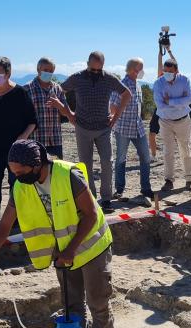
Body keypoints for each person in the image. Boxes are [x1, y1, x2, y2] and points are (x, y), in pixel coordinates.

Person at [0, 139, 116, 328]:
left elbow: (91, 215)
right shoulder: (21, 187)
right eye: (13, 173)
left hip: (92, 247)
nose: (17, 177)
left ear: (37, 164)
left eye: (21, 172)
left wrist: (71, 249)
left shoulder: (67, 175)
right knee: (72, 308)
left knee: (98, 303)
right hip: (64, 254)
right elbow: (4, 227)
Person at [61, 51, 131, 213]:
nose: (96, 73)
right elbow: (59, 90)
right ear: (87, 64)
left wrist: (116, 115)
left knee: (107, 162)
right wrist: (68, 113)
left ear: (103, 66)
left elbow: (126, 93)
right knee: (85, 165)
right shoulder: (77, 78)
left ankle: (106, 199)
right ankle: (90, 198)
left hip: (104, 128)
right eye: (93, 70)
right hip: (82, 127)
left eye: (98, 70)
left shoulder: (109, 78)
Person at [0, 56, 37, 226]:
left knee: (16, 184)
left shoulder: (20, 93)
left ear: (8, 72)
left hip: (15, 151)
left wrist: (22, 138)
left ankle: (18, 217)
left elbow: (32, 121)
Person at [109, 57, 154, 207]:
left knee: (145, 157)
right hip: (122, 128)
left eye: (141, 68)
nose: (141, 71)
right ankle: (119, 190)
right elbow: (113, 107)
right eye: (139, 68)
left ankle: (146, 189)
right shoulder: (120, 85)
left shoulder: (139, 85)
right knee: (121, 158)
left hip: (138, 127)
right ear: (131, 69)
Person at [153, 58, 191, 192]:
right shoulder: (158, 83)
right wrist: (179, 102)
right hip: (165, 121)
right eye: (165, 71)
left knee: (185, 149)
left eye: (169, 71)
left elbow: (190, 99)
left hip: (183, 120)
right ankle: (169, 180)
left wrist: (170, 101)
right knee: (168, 151)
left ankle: (189, 179)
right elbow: (160, 104)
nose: (166, 74)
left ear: (176, 71)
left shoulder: (185, 80)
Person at [23, 57, 70, 159]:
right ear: (38, 70)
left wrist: (59, 104)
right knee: (34, 174)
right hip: (34, 141)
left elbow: (66, 113)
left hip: (55, 141)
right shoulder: (27, 89)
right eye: (45, 70)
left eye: (51, 71)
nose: (48, 73)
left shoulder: (58, 89)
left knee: (55, 173)